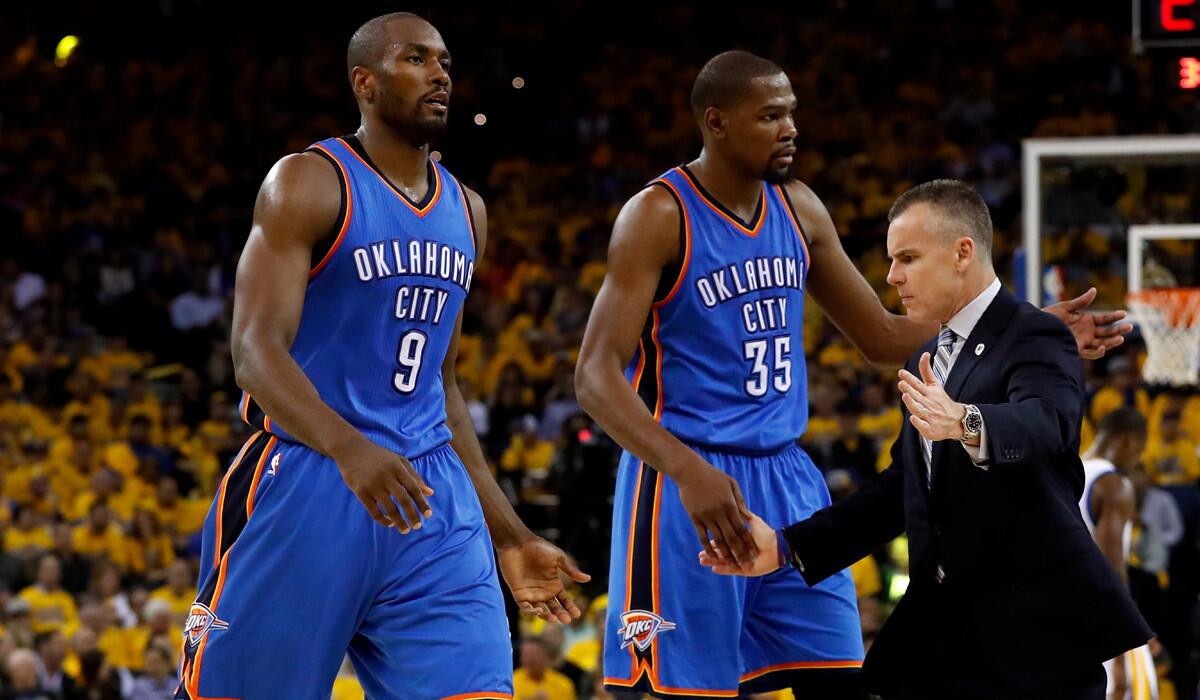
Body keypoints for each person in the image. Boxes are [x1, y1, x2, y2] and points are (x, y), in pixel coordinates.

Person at [575, 50, 1129, 698]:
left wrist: (1020, 328)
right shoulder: (658, 214)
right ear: (716, 122)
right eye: (771, 115)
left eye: (792, 114)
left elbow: (881, 336)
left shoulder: (800, 209)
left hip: (786, 475)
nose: (790, 129)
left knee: (848, 683)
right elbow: (594, 376)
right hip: (685, 476)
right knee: (678, 693)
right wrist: (687, 470)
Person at [175, 12, 587, 700]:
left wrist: (509, 534)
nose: (439, 73)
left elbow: (443, 387)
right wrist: (348, 448)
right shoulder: (307, 181)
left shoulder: (469, 210)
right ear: (365, 82)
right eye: (416, 59)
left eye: (446, 63)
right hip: (308, 479)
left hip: (431, 499)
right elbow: (253, 351)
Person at [702, 180, 1152, 699]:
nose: (891, 276)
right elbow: (899, 492)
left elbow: (1046, 422)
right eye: (892, 260)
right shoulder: (937, 353)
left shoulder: (1035, 333)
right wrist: (786, 547)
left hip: (1035, 642)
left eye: (907, 258)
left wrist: (965, 421)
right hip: (948, 638)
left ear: (963, 252)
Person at [1081, 408, 1159, 700]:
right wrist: (1124, 649)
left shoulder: (1067, 472)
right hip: (1105, 623)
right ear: (1129, 440)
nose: (1138, 459)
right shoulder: (1114, 487)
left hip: (1061, 618)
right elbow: (1111, 572)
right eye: (1140, 449)